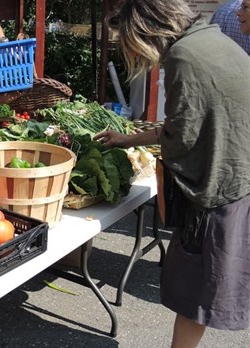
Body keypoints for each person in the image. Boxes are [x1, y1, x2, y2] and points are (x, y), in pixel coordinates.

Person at [94, 0, 250, 347]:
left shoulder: (183, 57)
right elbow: (187, 122)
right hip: (240, 175)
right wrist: (128, 139)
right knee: (205, 283)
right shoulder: (213, 38)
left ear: (146, 30)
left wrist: (163, 165)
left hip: (217, 186)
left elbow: (183, 137)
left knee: (195, 287)